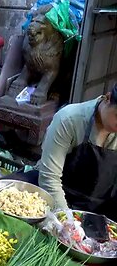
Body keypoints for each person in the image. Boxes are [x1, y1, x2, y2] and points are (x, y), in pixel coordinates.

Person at [36, 85, 117, 220]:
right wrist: (68, 221)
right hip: (60, 200)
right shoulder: (69, 119)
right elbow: (49, 178)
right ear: (108, 98)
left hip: (98, 211)